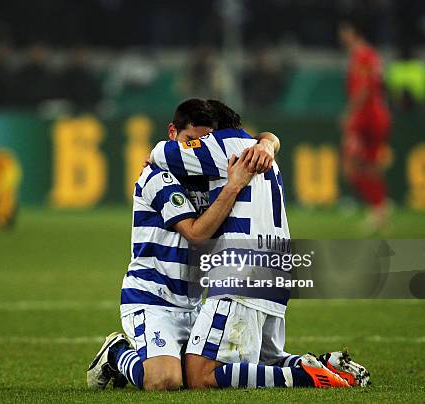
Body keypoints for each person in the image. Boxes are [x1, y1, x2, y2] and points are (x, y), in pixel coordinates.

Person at [148, 102, 369, 390]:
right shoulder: (259, 149)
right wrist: (268, 139)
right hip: (279, 270)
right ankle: (327, 365)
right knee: (264, 363)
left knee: (198, 374)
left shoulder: (218, 147)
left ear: (213, 131)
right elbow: (268, 139)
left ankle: (306, 377)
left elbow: (159, 152)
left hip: (241, 273)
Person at [86, 99, 281, 390]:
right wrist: (233, 186)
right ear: (172, 132)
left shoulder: (208, 175)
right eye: (190, 141)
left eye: (204, 142)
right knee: (165, 380)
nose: (196, 149)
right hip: (152, 299)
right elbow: (196, 233)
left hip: (193, 305)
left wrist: (267, 142)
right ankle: (115, 353)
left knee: (205, 374)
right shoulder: (156, 176)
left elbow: (249, 142)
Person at [338, 19, 392, 232]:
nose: (341, 36)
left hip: (366, 118)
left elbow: (363, 89)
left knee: (352, 166)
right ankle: (380, 210)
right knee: (369, 166)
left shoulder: (361, 56)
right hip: (378, 115)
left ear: (354, 33)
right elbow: (380, 84)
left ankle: (378, 209)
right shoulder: (372, 55)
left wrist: (350, 114)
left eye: (344, 31)